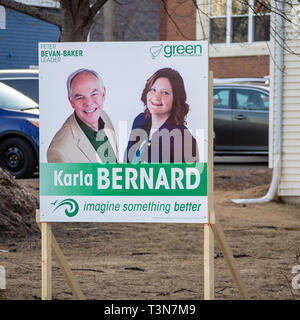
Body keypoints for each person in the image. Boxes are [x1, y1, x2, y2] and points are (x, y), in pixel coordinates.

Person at [125, 68, 199, 163]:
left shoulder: (184, 140)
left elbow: (190, 176)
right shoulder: (140, 121)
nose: (156, 97)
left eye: (165, 93)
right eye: (153, 90)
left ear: (176, 99)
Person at [47, 68, 118, 163]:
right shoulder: (59, 151)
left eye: (94, 94)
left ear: (103, 93)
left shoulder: (104, 116)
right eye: (80, 97)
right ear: (71, 102)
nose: (88, 103)